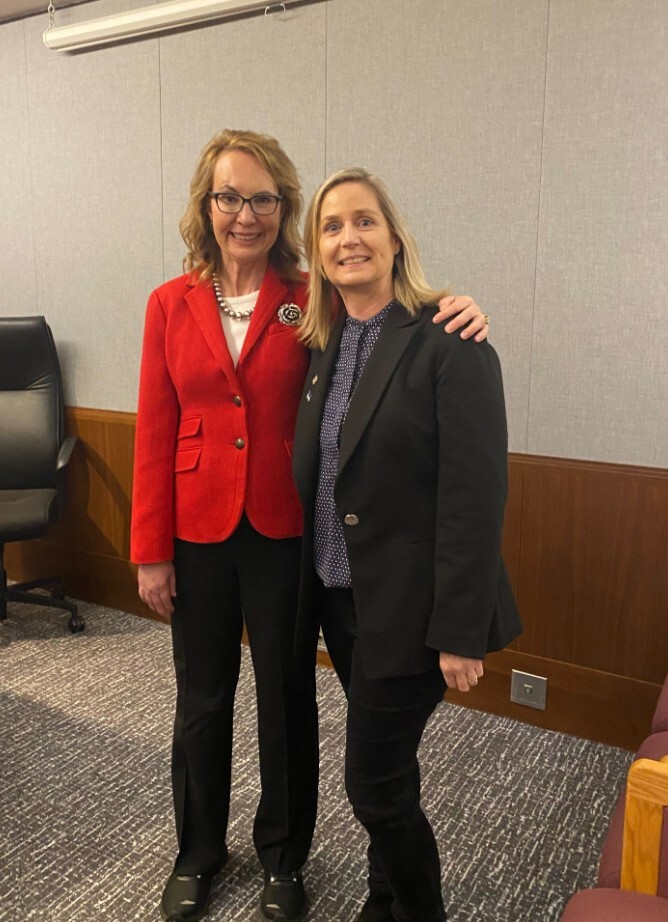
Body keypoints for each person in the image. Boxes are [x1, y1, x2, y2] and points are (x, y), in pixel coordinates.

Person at [131, 130, 489, 922]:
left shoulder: (308, 299)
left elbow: (390, 325)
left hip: (286, 533)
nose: (246, 214)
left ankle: (284, 857)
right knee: (199, 698)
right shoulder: (169, 302)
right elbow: (155, 431)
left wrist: (450, 304)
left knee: (286, 696)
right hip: (196, 530)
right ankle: (196, 850)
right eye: (230, 197)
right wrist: (149, 549)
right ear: (207, 206)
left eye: (263, 198)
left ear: (283, 209)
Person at [292, 168, 522, 922]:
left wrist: (459, 631)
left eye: (364, 221)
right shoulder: (323, 346)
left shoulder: (448, 339)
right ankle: (380, 902)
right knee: (389, 769)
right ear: (316, 248)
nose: (348, 238)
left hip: (414, 613)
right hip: (343, 600)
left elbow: (474, 498)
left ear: (394, 237)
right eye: (331, 226)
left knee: (373, 787)